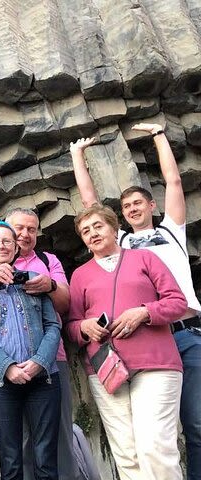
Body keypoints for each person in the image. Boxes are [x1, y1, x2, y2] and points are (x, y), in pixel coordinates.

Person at [71, 123, 201, 479]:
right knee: (132, 447)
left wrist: (159, 135)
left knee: (185, 430)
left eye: (137, 203)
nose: (131, 209)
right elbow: (91, 207)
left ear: (150, 205)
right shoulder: (120, 244)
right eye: (125, 206)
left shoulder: (168, 234)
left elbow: (174, 184)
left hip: (182, 334)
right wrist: (76, 156)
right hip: (120, 352)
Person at [0, 207, 86, 480]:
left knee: (55, 443)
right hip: (2, 374)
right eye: (18, 228)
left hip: (48, 366)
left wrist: (50, 287)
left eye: (31, 229)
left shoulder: (44, 264)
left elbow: (59, 314)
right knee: (13, 449)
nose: (24, 235)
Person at [67, 204, 187, 480]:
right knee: (127, 454)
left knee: (155, 447)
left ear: (114, 228)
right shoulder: (80, 275)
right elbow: (71, 327)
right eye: (86, 231)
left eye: (98, 226)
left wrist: (144, 312)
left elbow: (177, 302)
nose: (93, 234)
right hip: (105, 370)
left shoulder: (145, 258)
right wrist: (85, 327)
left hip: (156, 364)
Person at [0, 221, 61, 480]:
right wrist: (6, 366)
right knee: (10, 459)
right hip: (1, 381)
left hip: (44, 378)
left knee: (45, 457)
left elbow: (53, 325)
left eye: (6, 240)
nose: (1, 246)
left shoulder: (34, 281)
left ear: (16, 246)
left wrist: (40, 361)